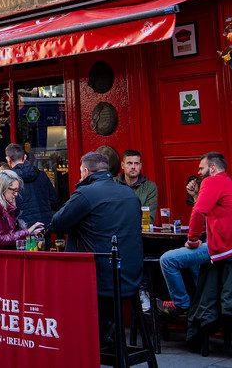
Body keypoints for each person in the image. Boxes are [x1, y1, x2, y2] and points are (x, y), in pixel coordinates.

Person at [51, 149, 143, 354]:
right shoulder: (130, 193)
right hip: (129, 275)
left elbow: (57, 222)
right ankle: (104, 335)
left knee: (58, 285)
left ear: (85, 171)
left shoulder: (86, 193)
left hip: (98, 280)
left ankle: (81, 342)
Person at [158, 153, 215, 318]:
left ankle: (185, 304)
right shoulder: (217, 186)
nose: (198, 172)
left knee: (167, 259)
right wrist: (196, 196)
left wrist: (192, 240)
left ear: (212, 168)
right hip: (226, 244)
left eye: (201, 168)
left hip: (220, 245)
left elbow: (200, 215)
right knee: (192, 263)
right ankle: (200, 304)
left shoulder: (212, 185)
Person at [4, 143, 57, 234]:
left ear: (8, 159)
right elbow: (54, 200)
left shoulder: (7, 179)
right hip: (44, 226)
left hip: (22, 229)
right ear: (25, 157)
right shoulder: (42, 175)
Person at [116, 149, 158, 223]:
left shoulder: (150, 187)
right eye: (129, 163)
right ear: (122, 165)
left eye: (136, 163)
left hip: (139, 232)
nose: (133, 167)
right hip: (115, 232)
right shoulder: (112, 183)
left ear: (140, 166)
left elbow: (148, 219)